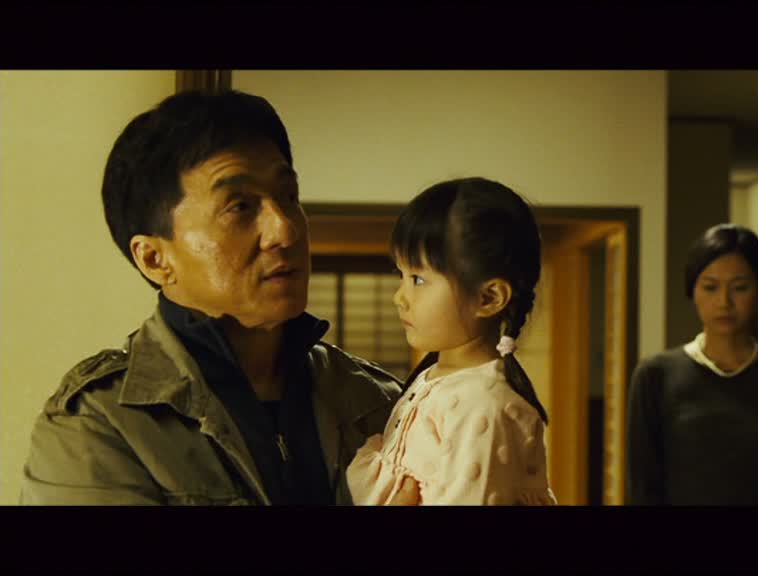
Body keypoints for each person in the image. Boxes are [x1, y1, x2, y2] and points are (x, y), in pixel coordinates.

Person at [20, 89, 419, 505]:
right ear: (155, 259)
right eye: (240, 207)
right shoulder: (99, 423)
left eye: (288, 197)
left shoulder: (379, 400)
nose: (284, 230)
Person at [345, 177, 557, 505]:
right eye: (401, 275)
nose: (399, 297)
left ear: (488, 298)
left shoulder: (482, 405)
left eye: (418, 279)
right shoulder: (435, 378)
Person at [626, 224, 758, 505]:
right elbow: (643, 486)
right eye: (710, 287)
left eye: (740, 288)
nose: (724, 302)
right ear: (693, 291)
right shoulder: (655, 376)